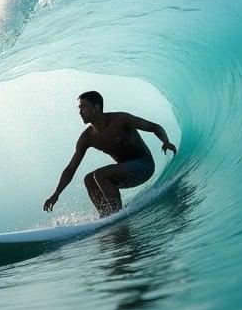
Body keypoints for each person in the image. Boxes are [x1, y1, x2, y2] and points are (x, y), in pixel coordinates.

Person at [43, 91, 177, 218]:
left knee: (99, 175)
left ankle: (116, 214)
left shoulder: (120, 119)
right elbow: (71, 167)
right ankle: (106, 215)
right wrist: (56, 194)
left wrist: (166, 141)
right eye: (79, 108)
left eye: (83, 107)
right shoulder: (87, 137)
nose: (80, 112)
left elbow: (154, 127)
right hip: (126, 174)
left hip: (144, 166)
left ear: (96, 108)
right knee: (89, 179)